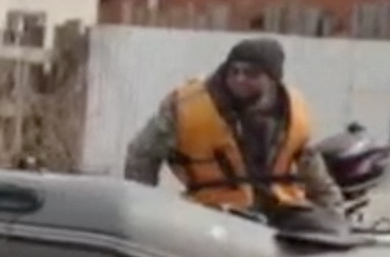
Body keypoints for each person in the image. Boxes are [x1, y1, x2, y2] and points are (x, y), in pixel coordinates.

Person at [123, 37, 344, 230]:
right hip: (212, 212)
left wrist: (334, 216)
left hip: (279, 210)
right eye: (234, 71)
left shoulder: (292, 110)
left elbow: (312, 168)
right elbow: (142, 154)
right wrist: (144, 209)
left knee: (317, 230)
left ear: (273, 79)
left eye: (251, 74)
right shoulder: (185, 106)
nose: (240, 79)